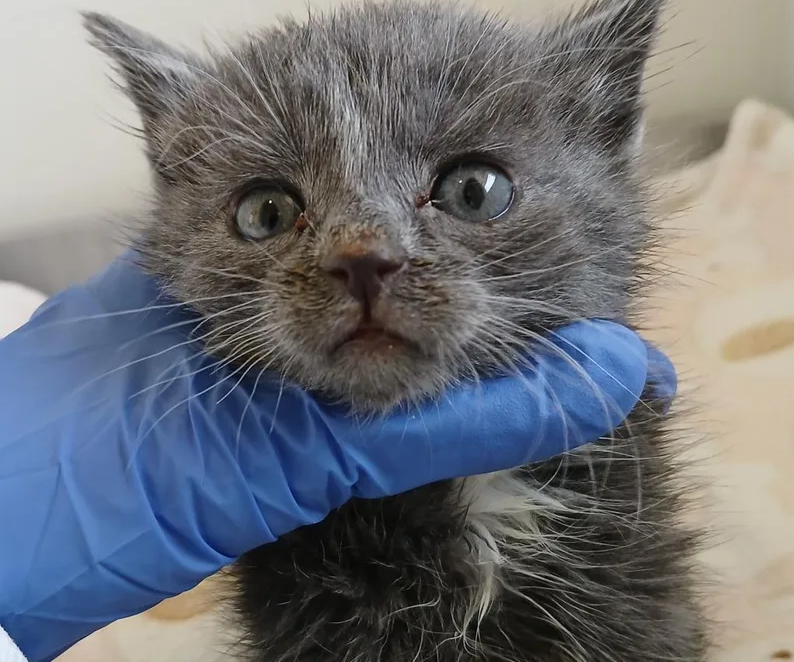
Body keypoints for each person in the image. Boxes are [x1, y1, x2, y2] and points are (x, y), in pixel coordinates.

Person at [0, 253, 674, 662]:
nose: (363, 249)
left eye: (473, 190)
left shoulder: (609, 444)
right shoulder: (247, 474)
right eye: (271, 213)